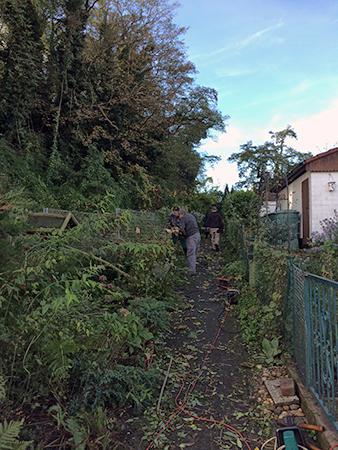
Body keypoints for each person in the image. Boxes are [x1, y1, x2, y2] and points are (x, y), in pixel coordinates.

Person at [178, 209, 201, 275]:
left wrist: (182, 234)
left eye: (178, 215)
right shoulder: (191, 216)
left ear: (181, 214)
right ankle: (193, 267)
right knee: (195, 252)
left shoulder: (183, 218)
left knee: (190, 253)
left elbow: (182, 229)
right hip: (197, 234)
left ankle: (191, 271)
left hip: (191, 237)